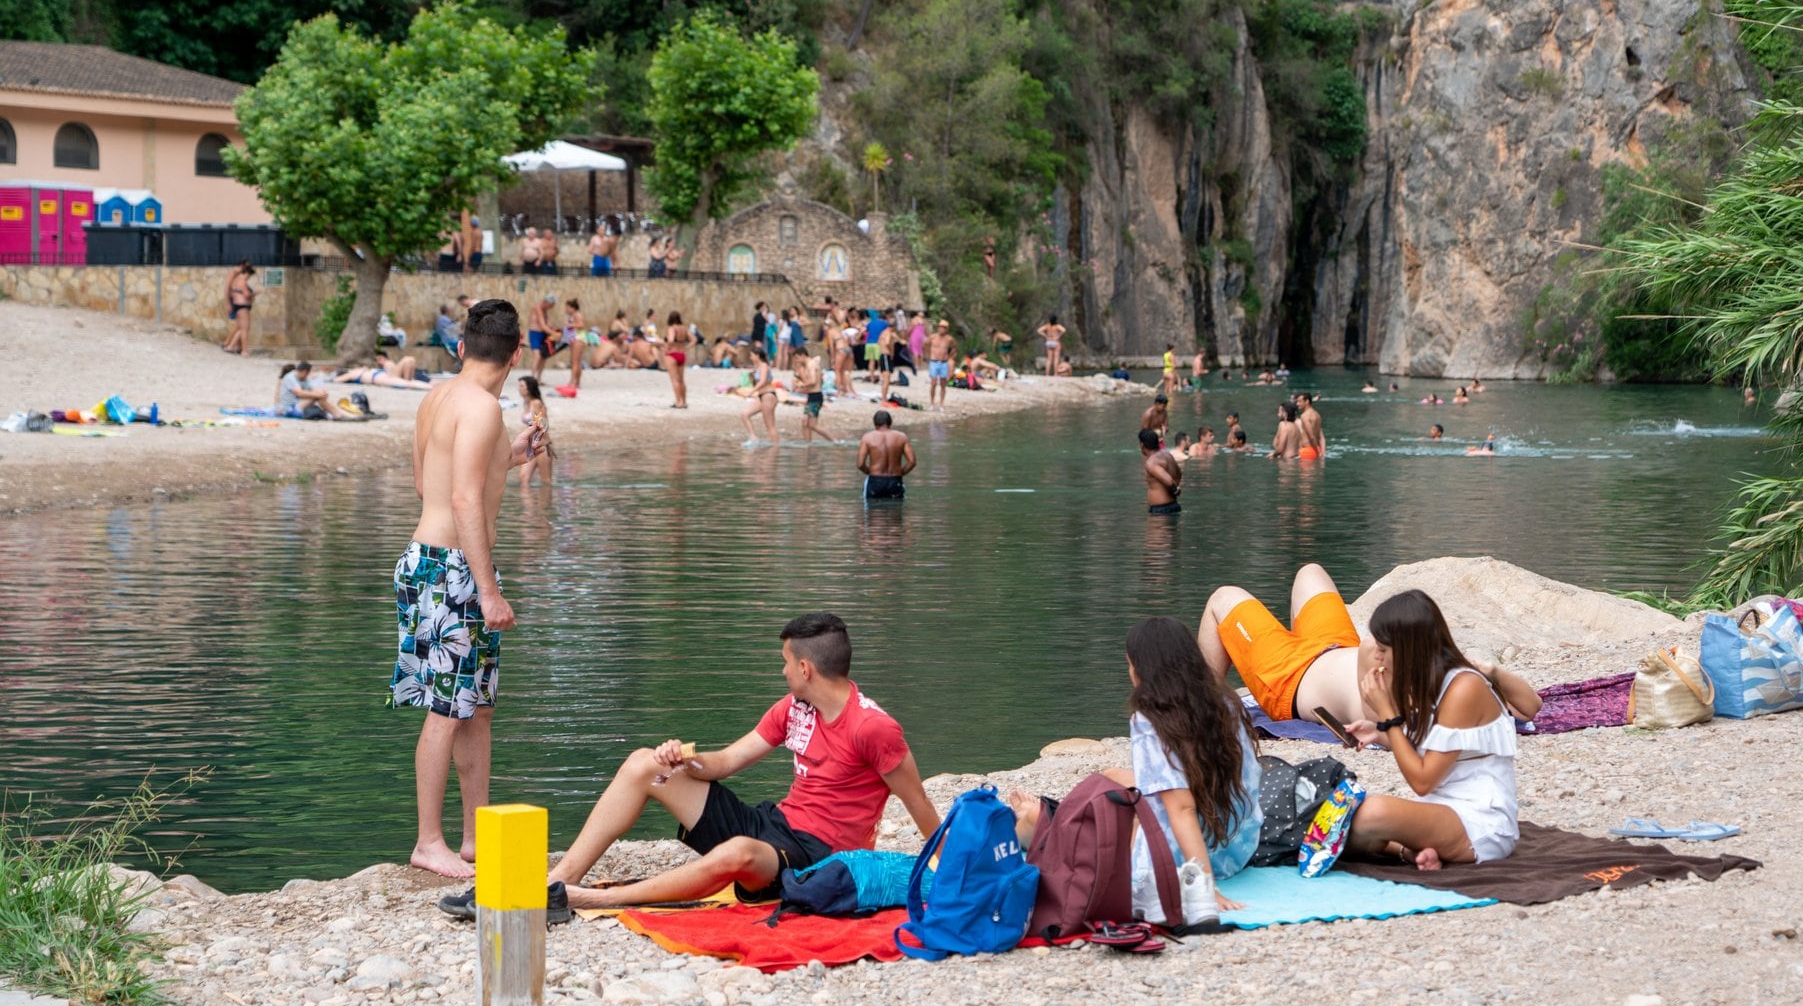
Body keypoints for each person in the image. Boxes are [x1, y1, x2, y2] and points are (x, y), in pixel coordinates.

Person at [485, 613, 942, 912]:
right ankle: (558, 880)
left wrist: (954, 869)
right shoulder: (794, 708)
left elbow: (919, 804)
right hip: (775, 823)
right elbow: (725, 762)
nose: (782, 671)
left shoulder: (873, 728)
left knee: (738, 854)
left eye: (785, 662)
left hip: (818, 859)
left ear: (806, 669)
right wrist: (683, 760)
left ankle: (591, 901)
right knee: (645, 765)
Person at [392, 300, 541, 878]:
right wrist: (487, 589)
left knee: (475, 706)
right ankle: (429, 842)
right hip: (453, 569)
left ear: (462, 346)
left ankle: (474, 837)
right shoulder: (481, 408)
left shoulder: (439, 398)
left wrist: (510, 457)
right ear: (517, 351)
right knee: (447, 708)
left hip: (428, 561)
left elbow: (430, 479)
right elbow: (461, 499)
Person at [1009, 617, 1257, 919]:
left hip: (1176, 862)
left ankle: (1036, 821)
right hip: (1235, 848)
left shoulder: (1152, 718)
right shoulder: (1226, 704)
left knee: (1064, 824)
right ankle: (1050, 815)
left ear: (1142, 670)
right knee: (1110, 776)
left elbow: (1181, 809)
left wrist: (1204, 887)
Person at [1198, 564, 1542, 744]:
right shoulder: (1434, 671)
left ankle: (1200, 713)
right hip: (1334, 644)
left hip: (1288, 681)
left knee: (1222, 598)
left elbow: (1397, 736)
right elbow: (1531, 707)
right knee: (1310, 572)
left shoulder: (1388, 694)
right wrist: (1490, 672)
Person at [1342, 591, 1519, 869]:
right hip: (1441, 807)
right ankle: (1407, 853)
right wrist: (1380, 733)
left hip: (1480, 821)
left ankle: (1399, 847)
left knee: (1367, 815)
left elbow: (1423, 782)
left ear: (1408, 649)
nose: (1377, 658)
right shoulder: (1428, 683)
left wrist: (1388, 716)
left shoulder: (1464, 688)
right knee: (1338, 819)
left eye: (1384, 650)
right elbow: (1432, 749)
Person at [858, 409, 914, 500]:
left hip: (875, 479)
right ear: (890, 423)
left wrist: (869, 472)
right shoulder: (902, 437)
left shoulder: (867, 437)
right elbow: (912, 462)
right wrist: (901, 473)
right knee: (896, 511)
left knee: (872, 511)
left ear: (875, 424)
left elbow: (860, 464)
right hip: (895, 479)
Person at [276, 361, 357, 419]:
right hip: (289, 409)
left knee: (321, 397)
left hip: (298, 405)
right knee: (317, 397)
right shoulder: (290, 377)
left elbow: (312, 389)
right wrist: (318, 395)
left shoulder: (303, 378)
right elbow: (299, 393)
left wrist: (322, 393)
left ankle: (345, 414)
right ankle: (338, 415)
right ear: (305, 372)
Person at [789, 352, 836, 443]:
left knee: (813, 425)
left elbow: (813, 381)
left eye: (797, 358)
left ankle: (834, 440)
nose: (797, 361)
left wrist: (802, 385)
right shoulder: (810, 364)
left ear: (803, 355)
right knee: (805, 422)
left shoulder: (811, 365)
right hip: (811, 396)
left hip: (815, 396)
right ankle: (808, 444)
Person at [517, 376, 553, 486]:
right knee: (523, 478)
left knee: (545, 480)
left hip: (542, 445)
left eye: (522, 386)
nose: (519, 388)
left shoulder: (536, 403)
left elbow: (544, 424)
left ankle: (545, 502)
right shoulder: (526, 403)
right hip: (530, 446)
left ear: (529, 388)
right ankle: (529, 503)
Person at [739, 346, 780, 443]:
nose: (750, 357)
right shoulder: (757, 367)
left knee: (770, 425)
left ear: (757, 355)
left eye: (752, 355)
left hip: (769, 395)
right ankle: (753, 437)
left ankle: (775, 447)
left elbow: (763, 381)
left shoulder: (764, 365)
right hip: (761, 396)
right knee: (744, 414)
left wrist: (751, 391)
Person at [1139, 427, 1182, 515]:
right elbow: (1179, 473)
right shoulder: (1168, 455)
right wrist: (1174, 492)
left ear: (1142, 445)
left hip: (1161, 510)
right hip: (1173, 505)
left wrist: (1175, 491)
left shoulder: (1151, 463)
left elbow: (1169, 482)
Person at [222, 261, 255, 355]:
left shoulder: (238, 276)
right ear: (241, 266)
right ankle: (231, 345)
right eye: (246, 266)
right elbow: (228, 289)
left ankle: (233, 346)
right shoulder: (235, 275)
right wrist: (228, 303)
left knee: (240, 326)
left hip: (238, 303)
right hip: (239, 304)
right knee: (242, 327)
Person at [661, 311, 692, 408]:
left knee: (675, 380)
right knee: (681, 380)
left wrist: (666, 349)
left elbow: (670, 340)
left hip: (672, 354)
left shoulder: (671, 328)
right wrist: (686, 347)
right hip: (681, 354)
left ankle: (679, 402)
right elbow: (694, 339)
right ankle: (684, 401)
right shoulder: (683, 328)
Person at [926, 316, 956, 408]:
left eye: (943, 327)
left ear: (946, 329)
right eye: (940, 327)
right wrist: (928, 355)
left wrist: (950, 356)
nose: (941, 329)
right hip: (934, 361)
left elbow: (954, 347)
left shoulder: (949, 339)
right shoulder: (933, 337)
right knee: (933, 383)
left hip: (943, 362)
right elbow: (926, 344)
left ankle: (941, 403)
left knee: (943, 384)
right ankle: (932, 402)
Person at [527, 295, 556, 382]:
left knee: (543, 356)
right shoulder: (537, 308)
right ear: (547, 302)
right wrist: (554, 334)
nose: (551, 308)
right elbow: (543, 325)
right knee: (537, 356)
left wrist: (554, 329)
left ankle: (538, 378)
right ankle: (532, 378)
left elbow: (547, 324)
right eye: (551, 305)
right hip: (535, 333)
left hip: (543, 334)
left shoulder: (544, 310)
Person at [1294, 393, 1326, 459]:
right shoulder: (1317, 415)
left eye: (1300, 401)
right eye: (1297, 402)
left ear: (1307, 401)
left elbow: (1311, 437)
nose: (1297, 404)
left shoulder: (1304, 416)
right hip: (1318, 449)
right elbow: (1322, 438)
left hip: (1307, 451)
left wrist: (1317, 452)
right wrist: (1322, 452)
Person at [563, 299, 585, 390]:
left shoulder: (577, 315)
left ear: (573, 307)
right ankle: (577, 382)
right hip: (575, 338)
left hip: (578, 338)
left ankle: (572, 382)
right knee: (577, 362)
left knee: (574, 362)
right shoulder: (573, 315)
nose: (566, 310)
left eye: (567, 308)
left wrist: (570, 325)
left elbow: (581, 325)